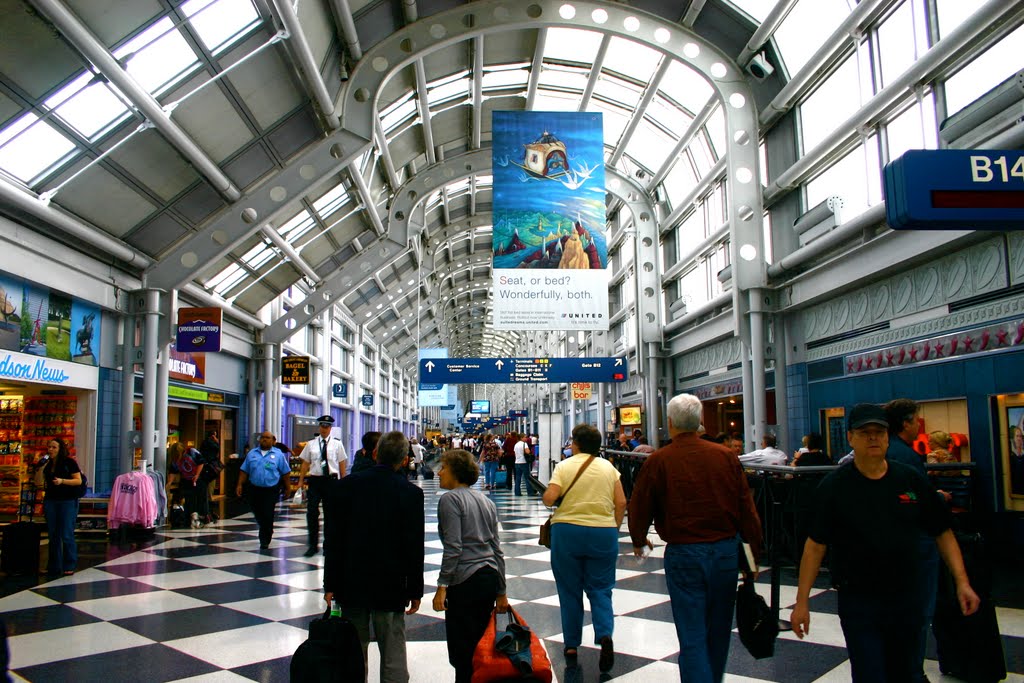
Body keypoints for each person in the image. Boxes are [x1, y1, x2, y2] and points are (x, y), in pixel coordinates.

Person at [792, 403, 980, 682]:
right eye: (864, 432)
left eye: (879, 432)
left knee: (906, 671)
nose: (873, 438)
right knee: (869, 672)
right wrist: (802, 602)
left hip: (907, 596)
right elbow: (815, 545)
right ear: (851, 437)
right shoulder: (834, 487)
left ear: (887, 436)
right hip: (859, 599)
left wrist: (962, 581)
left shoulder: (909, 479)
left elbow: (942, 531)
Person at [628, 394, 763, 682]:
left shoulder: (659, 460)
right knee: (719, 630)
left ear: (671, 423)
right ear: (700, 422)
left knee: (691, 634)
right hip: (725, 552)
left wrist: (638, 539)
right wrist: (753, 556)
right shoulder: (726, 456)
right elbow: (746, 509)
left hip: (684, 554)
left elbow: (640, 504)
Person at [324, 431, 424, 683]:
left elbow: (333, 540)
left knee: (354, 650)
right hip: (391, 584)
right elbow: (414, 547)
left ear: (375, 454)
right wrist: (415, 589)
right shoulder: (411, 494)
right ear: (404, 460)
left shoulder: (344, 488)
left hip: (351, 580)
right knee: (393, 649)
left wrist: (330, 584)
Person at [542, 424, 627, 673]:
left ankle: (571, 644)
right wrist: (614, 526)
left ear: (576, 444)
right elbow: (621, 501)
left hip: (567, 532)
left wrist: (549, 494)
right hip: (603, 532)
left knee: (569, 590)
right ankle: (604, 633)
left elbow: (549, 498)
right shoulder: (609, 468)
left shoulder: (565, 465)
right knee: (601, 588)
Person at [884, 397, 949, 682]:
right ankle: (911, 671)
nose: (919, 425)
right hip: (916, 544)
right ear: (906, 423)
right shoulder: (907, 456)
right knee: (919, 611)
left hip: (893, 544)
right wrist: (935, 497)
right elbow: (914, 499)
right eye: (915, 420)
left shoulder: (888, 452)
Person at [432, 449, 509, 683]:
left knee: (462, 650)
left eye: (443, 467)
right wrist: (502, 591)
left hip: (465, 580)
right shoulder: (485, 501)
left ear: (455, 471)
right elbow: (496, 548)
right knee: (480, 643)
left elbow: (453, 547)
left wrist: (442, 585)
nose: (439, 472)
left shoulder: (450, 499)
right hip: (488, 577)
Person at [297, 415, 347, 557]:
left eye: (327, 427)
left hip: (331, 481)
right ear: (319, 427)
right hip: (315, 481)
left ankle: (328, 545)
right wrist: (301, 480)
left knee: (331, 514)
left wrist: (343, 482)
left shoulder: (337, 444)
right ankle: (312, 545)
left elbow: (342, 463)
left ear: (330, 428)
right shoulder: (311, 444)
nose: (324, 429)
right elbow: (305, 463)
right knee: (312, 512)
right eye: (322, 426)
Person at [236, 431, 291, 550]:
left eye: (267, 438)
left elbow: (285, 472)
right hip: (254, 488)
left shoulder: (278, 455)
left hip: (271, 489)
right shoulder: (252, 453)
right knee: (258, 512)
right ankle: (266, 527)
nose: (264, 440)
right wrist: (239, 484)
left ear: (273, 441)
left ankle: (264, 539)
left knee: (267, 512)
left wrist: (288, 487)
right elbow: (244, 470)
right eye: (262, 438)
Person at [41, 438, 81, 576]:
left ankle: (69, 564)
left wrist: (62, 481)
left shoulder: (69, 463)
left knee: (66, 533)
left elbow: (78, 480)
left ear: (60, 449)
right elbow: (39, 482)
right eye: (49, 447)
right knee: (53, 534)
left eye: (54, 447)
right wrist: (39, 467)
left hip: (67, 501)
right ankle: (54, 565)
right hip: (51, 500)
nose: (50, 450)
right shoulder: (48, 465)